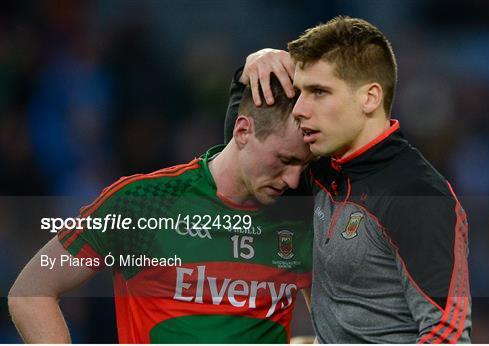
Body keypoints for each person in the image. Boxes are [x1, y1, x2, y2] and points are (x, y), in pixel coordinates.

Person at [8, 76, 314, 343]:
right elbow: (32, 292)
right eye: (284, 160)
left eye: (303, 164)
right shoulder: (141, 202)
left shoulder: (301, 219)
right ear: (243, 131)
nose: (293, 178)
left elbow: (335, 329)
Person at [225, 16, 471, 343]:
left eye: (318, 92)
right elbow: (248, 161)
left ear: (369, 98)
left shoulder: (416, 194)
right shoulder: (318, 170)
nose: (299, 108)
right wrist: (250, 72)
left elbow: (447, 335)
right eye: (300, 92)